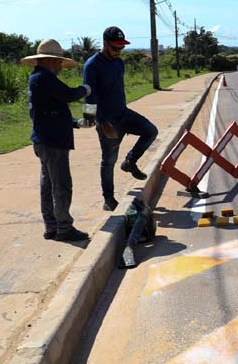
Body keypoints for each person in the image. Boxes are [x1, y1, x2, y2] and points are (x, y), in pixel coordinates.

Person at [23, 39, 94, 242]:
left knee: (48, 185)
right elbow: (67, 95)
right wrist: (85, 90)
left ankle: (51, 226)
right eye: (58, 62)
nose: (60, 67)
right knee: (61, 185)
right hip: (53, 142)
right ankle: (64, 228)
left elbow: (51, 111)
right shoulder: (44, 77)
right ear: (49, 61)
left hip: (45, 139)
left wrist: (76, 123)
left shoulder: (37, 78)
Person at [83, 26, 158, 211]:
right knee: (109, 161)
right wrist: (99, 121)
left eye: (121, 48)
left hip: (123, 114)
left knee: (150, 131)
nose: (118, 51)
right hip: (107, 121)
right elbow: (89, 97)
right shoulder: (92, 65)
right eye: (115, 48)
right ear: (105, 44)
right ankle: (108, 200)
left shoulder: (119, 63)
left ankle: (130, 162)